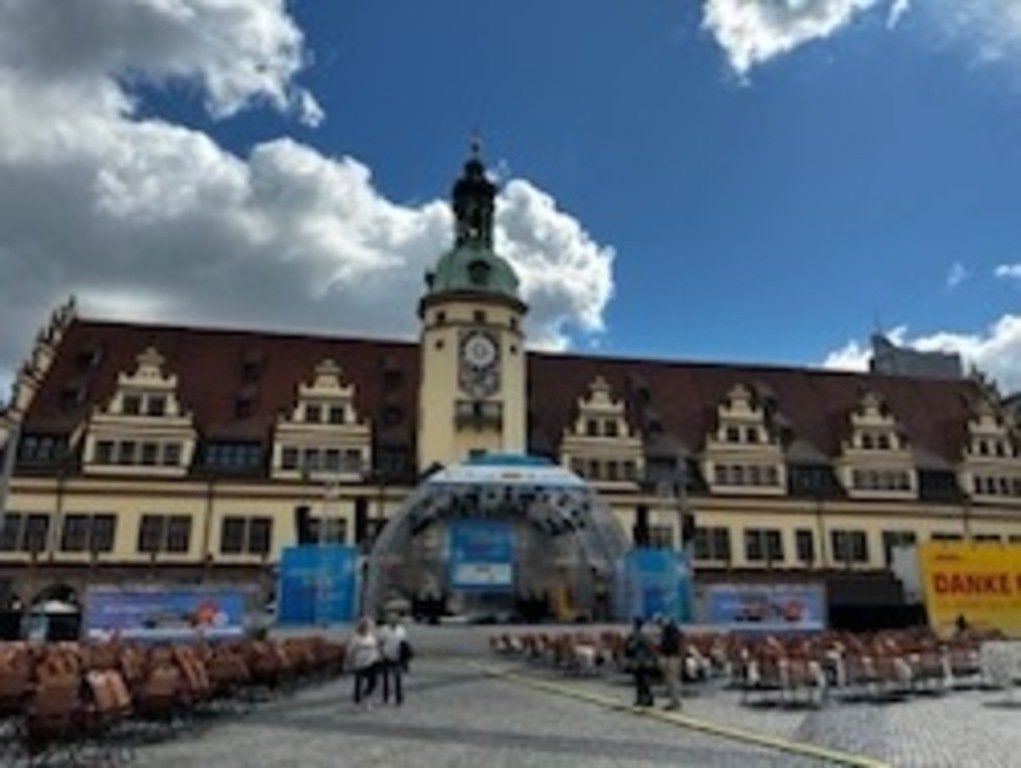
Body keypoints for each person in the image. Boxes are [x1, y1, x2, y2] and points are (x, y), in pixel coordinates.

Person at [349, 617, 381, 709]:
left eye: (370, 626)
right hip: (360, 663)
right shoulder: (356, 638)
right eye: (367, 626)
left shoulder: (372, 637)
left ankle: (367, 697)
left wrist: (378, 656)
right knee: (359, 682)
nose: (369, 628)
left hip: (372, 661)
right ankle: (358, 699)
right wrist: (350, 661)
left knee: (373, 682)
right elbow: (351, 651)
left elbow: (376, 647)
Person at [624, 617, 656, 707]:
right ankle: (642, 699)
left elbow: (632, 647)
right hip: (640, 661)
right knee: (640, 682)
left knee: (643, 682)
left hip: (642, 661)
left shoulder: (640, 635)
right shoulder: (637, 635)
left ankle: (647, 699)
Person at [379, 614, 408, 705]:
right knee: (386, 678)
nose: (393, 623)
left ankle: (398, 698)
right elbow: (381, 642)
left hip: (397, 656)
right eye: (391, 621)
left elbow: (404, 644)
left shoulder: (401, 630)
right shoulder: (384, 629)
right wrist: (381, 654)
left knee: (397, 678)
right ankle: (385, 697)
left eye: (394, 621)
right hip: (386, 655)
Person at [658, 616, 682, 711]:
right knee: (670, 681)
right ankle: (673, 701)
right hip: (670, 657)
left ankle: (675, 702)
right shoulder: (667, 632)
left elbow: (676, 644)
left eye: (660, 623)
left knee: (672, 680)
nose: (659, 625)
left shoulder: (672, 631)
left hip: (672, 657)